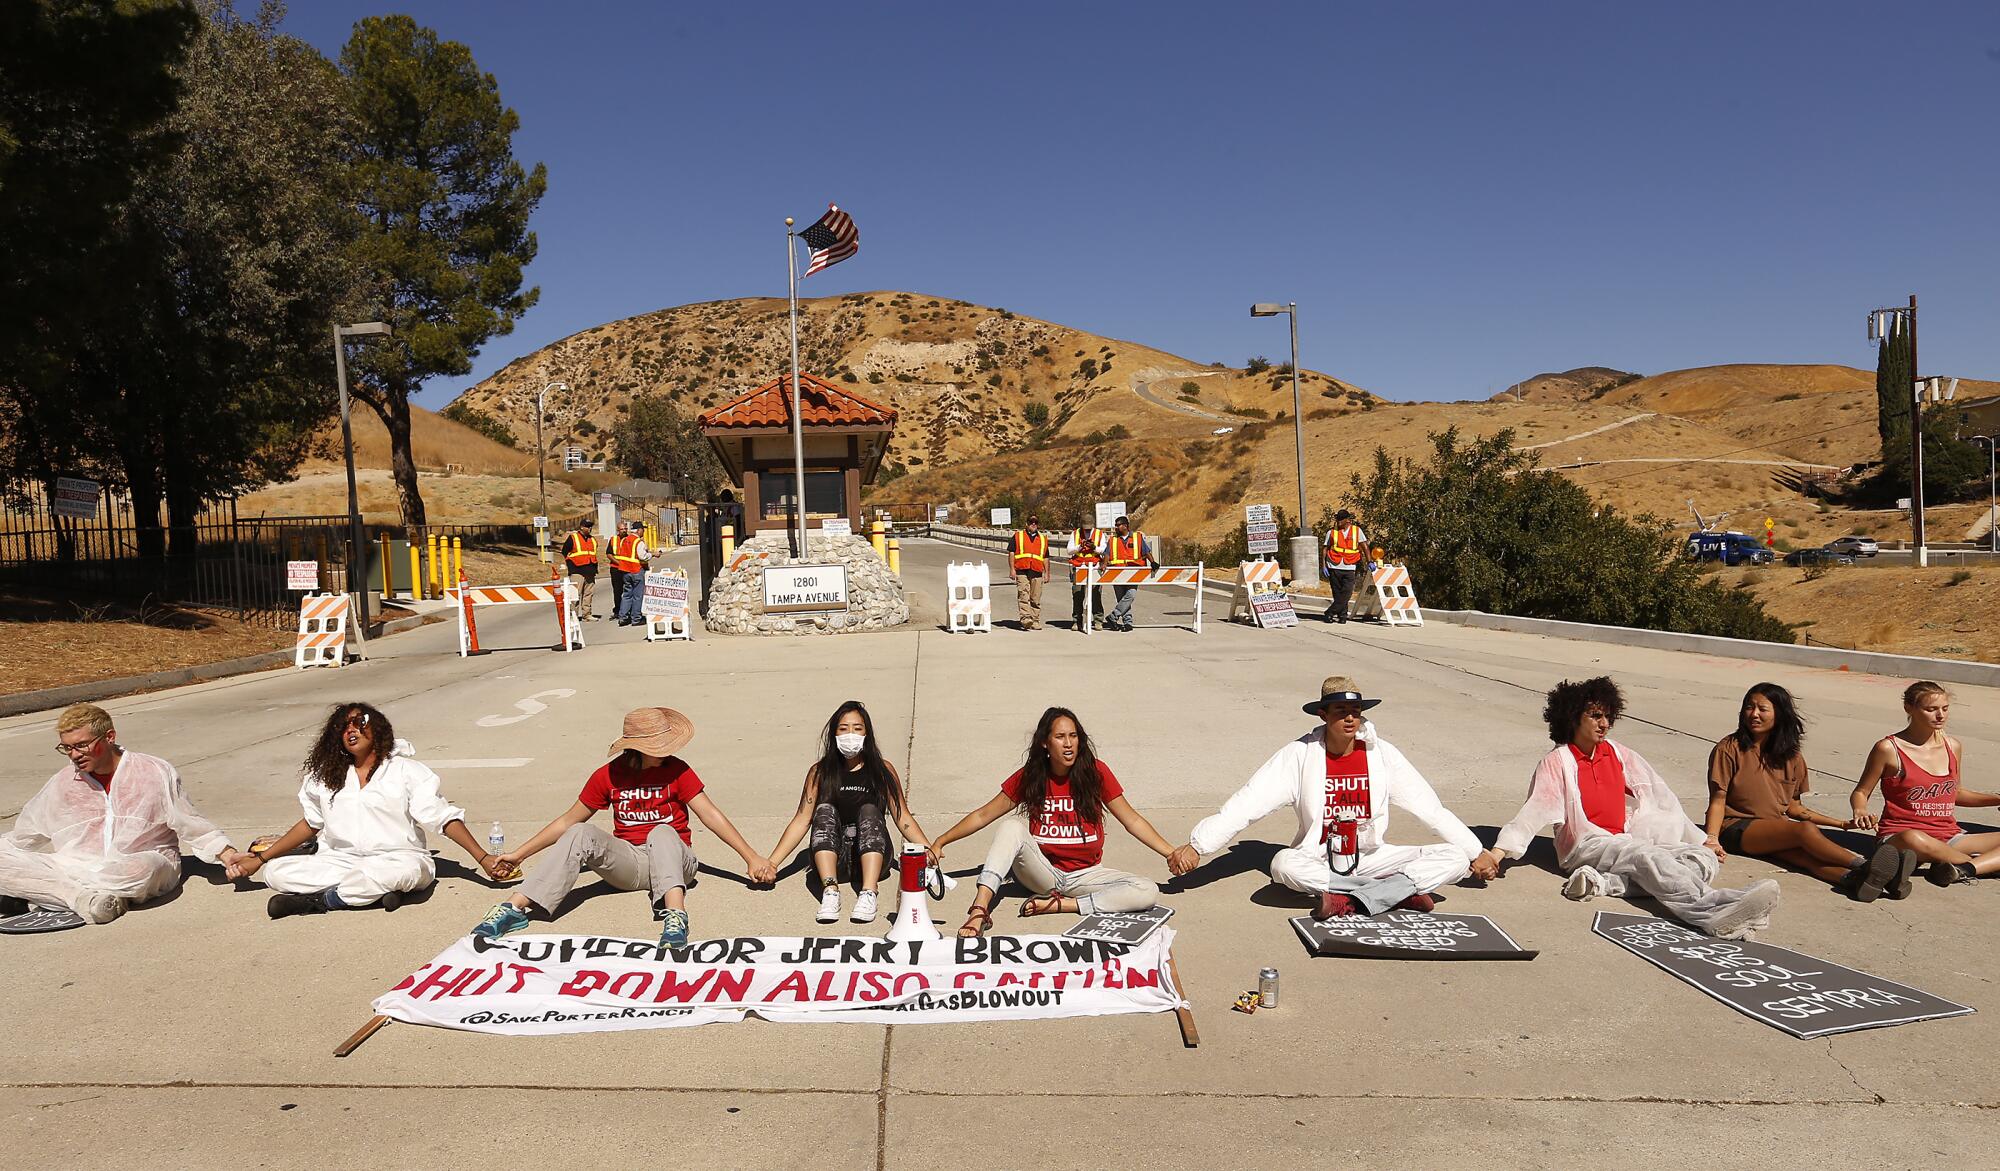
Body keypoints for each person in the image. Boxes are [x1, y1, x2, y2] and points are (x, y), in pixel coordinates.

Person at [1471, 676, 1781, 940]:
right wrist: (1496, 854)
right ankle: (1712, 911)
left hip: (1625, 837)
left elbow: (1660, 795)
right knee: (1646, 857)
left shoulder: (1617, 753)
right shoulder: (1557, 762)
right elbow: (1533, 812)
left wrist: (1704, 840)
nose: (1604, 724)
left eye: (1607, 716)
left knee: (1700, 858)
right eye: (1595, 716)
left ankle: (1606, 883)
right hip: (1585, 844)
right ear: (1573, 716)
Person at [1167, 676, 1480, 919]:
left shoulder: (1382, 755)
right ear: (1322, 714)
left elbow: (1429, 807)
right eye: (1340, 712)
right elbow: (1248, 803)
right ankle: (1396, 894)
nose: (1350, 719)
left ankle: (1351, 898)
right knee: (1284, 865)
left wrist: (1475, 851)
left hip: (1371, 857)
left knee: (1454, 857)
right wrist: (1199, 846)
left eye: (1355, 712)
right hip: (1320, 860)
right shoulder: (1299, 755)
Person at [470, 707, 776, 947]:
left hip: (675, 862)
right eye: (660, 745)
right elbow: (567, 820)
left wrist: (752, 857)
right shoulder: (608, 775)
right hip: (630, 864)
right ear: (639, 748)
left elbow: (711, 815)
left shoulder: (678, 770)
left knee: (662, 831)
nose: (668, 750)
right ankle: (514, 909)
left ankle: (675, 915)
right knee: (579, 832)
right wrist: (519, 855)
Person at [225, 703, 508, 918]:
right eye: (343, 727)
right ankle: (370, 895)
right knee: (277, 873)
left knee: (404, 873)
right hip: (341, 861)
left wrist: (482, 858)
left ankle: (321, 902)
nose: (351, 730)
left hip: (397, 859)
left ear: (378, 728)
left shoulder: (406, 771)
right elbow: (310, 825)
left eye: (359, 722)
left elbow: (442, 819)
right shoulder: (325, 778)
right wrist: (259, 860)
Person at [930, 707, 1176, 936]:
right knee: (1011, 827)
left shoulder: (1096, 773)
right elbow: (984, 814)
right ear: (1045, 743)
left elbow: (1131, 819)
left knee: (1147, 890)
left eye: (1073, 736)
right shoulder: (1032, 776)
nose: (1069, 744)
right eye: (1060, 737)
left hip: (1086, 876)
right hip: (1042, 873)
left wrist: (1171, 852)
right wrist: (942, 841)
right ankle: (979, 909)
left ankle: (1063, 905)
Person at [0, 703, 246, 925]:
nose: (74, 755)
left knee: (140, 871)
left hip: (137, 863)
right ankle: (83, 900)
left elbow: (189, 822)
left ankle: (42, 895)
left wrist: (226, 853)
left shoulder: (153, 771)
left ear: (109, 737)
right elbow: (24, 836)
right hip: (76, 864)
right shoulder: (62, 782)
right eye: (67, 748)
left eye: (81, 745)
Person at [1703, 683, 1915, 901]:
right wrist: (1712, 839)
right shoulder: (1728, 748)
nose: (1754, 714)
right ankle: (1868, 866)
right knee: (1804, 831)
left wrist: (1841, 824)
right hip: (1735, 828)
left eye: (1762, 709)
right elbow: (1718, 800)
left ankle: (1858, 881)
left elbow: (1794, 807)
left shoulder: (1792, 757)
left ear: (1780, 713)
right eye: (1749, 707)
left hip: (1773, 829)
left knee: (1806, 857)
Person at [765, 701, 935, 924]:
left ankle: (868, 892)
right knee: (824, 810)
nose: (850, 734)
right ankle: (830, 891)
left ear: (867, 733)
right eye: (843, 729)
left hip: (873, 857)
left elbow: (902, 816)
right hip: (835, 857)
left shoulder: (882, 770)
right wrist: (772, 863)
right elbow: (801, 820)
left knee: (869, 810)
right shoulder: (819, 772)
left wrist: (927, 849)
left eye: (857, 728)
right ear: (834, 734)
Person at [1850, 681, 2000, 886]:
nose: (1940, 715)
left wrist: (1997, 799)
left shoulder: (1952, 746)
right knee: (1914, 839)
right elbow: (1861, 791)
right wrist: (1860, 810)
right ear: (1908, 708)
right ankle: (1981, 865)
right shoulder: (1888, 748)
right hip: (1901, 834)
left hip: (1949, 836)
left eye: (1945, 709)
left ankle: (1961, 869)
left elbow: (1956, 794)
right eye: (1931, 709)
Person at [1102, 514, 1158, 632]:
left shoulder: (1137, 537)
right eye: (1115, 526)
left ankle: (1113, 616)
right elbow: (1107, 553)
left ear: (1126, 526)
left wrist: (1153, 562)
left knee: (1130, 595)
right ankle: (1127, 623)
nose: (1116, 528)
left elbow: (1146, 551)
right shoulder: (1113, 540)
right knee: (1121, 598)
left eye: (1118, 525)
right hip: (1116, 572)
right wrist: (1104, 564)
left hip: (1133, 572)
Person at [1321, 508, 1374, 623]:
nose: (1338, 521)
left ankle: (1330, 612)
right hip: (1334, 565)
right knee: (1337, 593)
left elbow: (1364, 546)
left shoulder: (1356, 531)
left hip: (1350, 565)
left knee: (1347, 592)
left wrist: (1369, 561)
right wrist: (1323, 565)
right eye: (1337, 519)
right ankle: (1342, 616)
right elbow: (1325, 548)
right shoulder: (1331, 532)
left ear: (1347, 520)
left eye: (1341, 519)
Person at [1010, 514, 1048, 631]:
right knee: (1023, 595)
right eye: (1031, 522)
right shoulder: (1018, 536)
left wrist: (1047, 573)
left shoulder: (1043, 538)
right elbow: (1011, 553)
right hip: (1022, 570)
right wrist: (1012, 569)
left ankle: (1035, 620)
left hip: (1037, 571)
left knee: (1035, 598)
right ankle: (1026, 618)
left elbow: (1046, 557)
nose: (1033, 524)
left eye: (1035, 522)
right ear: (1026, 524)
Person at [609, 519, 651, 626]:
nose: (643, 532)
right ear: (639, 530)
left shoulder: (624, 540)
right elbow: (642, 556)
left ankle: (623, 617)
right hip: (636, 571)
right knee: (637, 595)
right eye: (642, 530)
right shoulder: (638, 542)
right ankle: (636, 618)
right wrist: (651, 555)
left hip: (625, 572)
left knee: (627, 595)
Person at [1068, 518, 1107, 632]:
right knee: (1078, 595)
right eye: (1085, 529)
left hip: (1094, 568)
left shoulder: (1100, 534)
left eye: (1089, 529)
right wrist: (1079, 547)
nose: (1087, 531)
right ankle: (1077, 621)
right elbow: (1069, 550)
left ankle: (1098, 620)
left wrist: (1094, 548)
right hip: (1079, 567)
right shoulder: (1075, 534)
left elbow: (1104, 550)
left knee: (1096, 595)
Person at [561, 515, 600, 622]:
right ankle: (573, 616)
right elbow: (565, 552)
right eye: (587, 526)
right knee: (575, 595)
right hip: (577, 570)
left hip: (590, 570)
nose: (589, 528)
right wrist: (570, 565)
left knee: (588, 594)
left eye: (590, 526)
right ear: (582, 527)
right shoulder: (573, 538)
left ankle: (587, 615)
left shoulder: (593, 540)